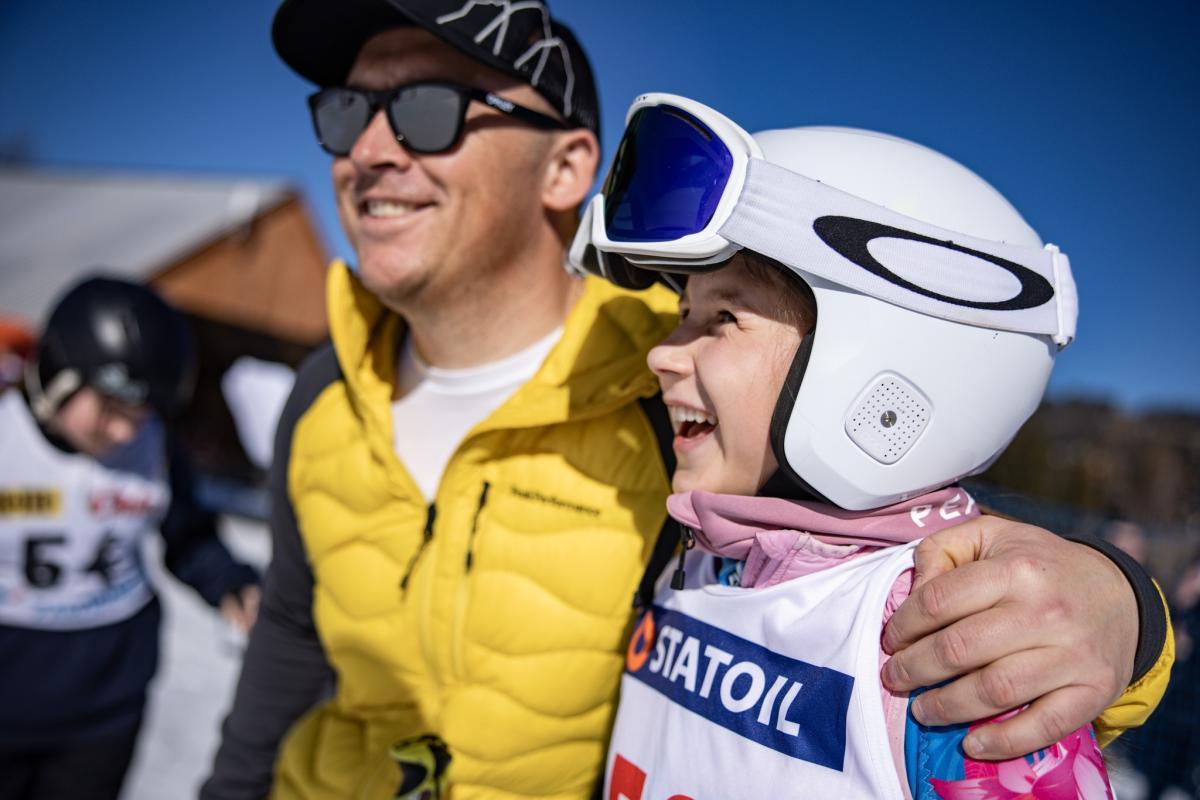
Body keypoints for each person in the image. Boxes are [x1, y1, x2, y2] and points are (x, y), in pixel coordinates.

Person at [203, 2, 1171, 798]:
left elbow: (870, 533)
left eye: (425, 109)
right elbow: (291, 634)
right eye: (345, 112)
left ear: (567, 167)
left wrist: (1123, 605)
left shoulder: (650, 395)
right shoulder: (324, 391)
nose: (367, 148)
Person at [575, 93, 1132, 797]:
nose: (662, 352)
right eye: (684, 311)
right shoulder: (701, 555)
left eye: (722, 317)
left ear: (876, 358)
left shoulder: (950, 650)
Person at [0, 275, 261, 800]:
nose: (123, 431)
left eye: (139, 415)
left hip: (104, 706)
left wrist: (232, 585)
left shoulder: (154, 448)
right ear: (60, 373)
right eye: (111, 408)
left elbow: (189, 537)